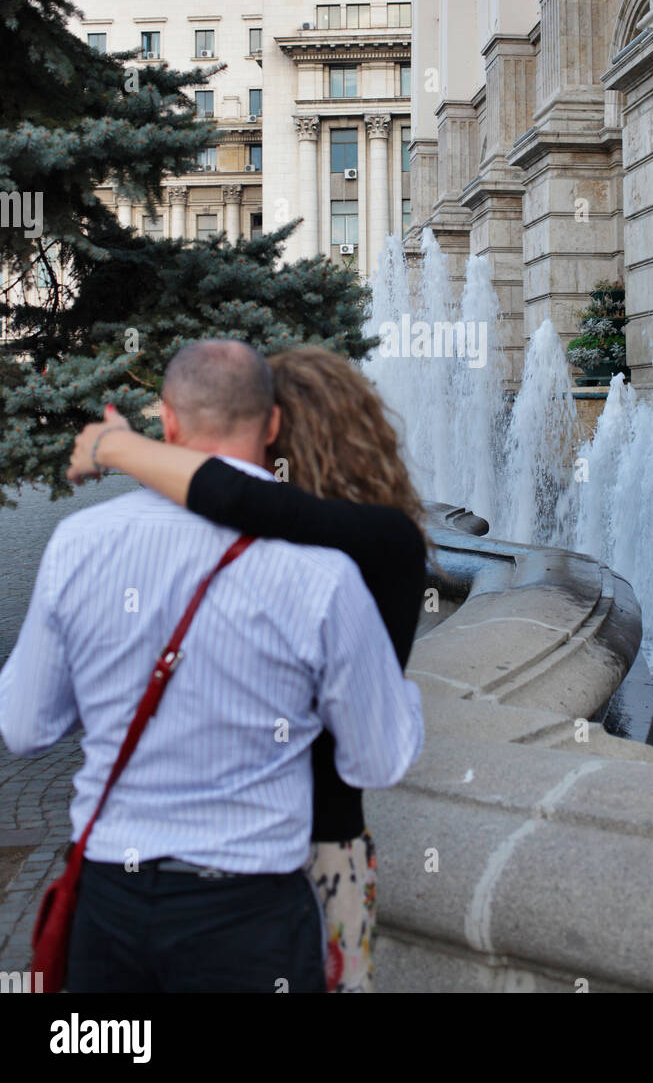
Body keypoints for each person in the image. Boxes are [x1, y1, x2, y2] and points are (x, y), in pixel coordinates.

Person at [0, 340, 424, 994]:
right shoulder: (331, 567)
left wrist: (117, 447)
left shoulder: (78, 543)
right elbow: (379, 760)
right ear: (272, 425)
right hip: (256, 903)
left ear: (168, 423)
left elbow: (25, 727)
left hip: (110, 897)